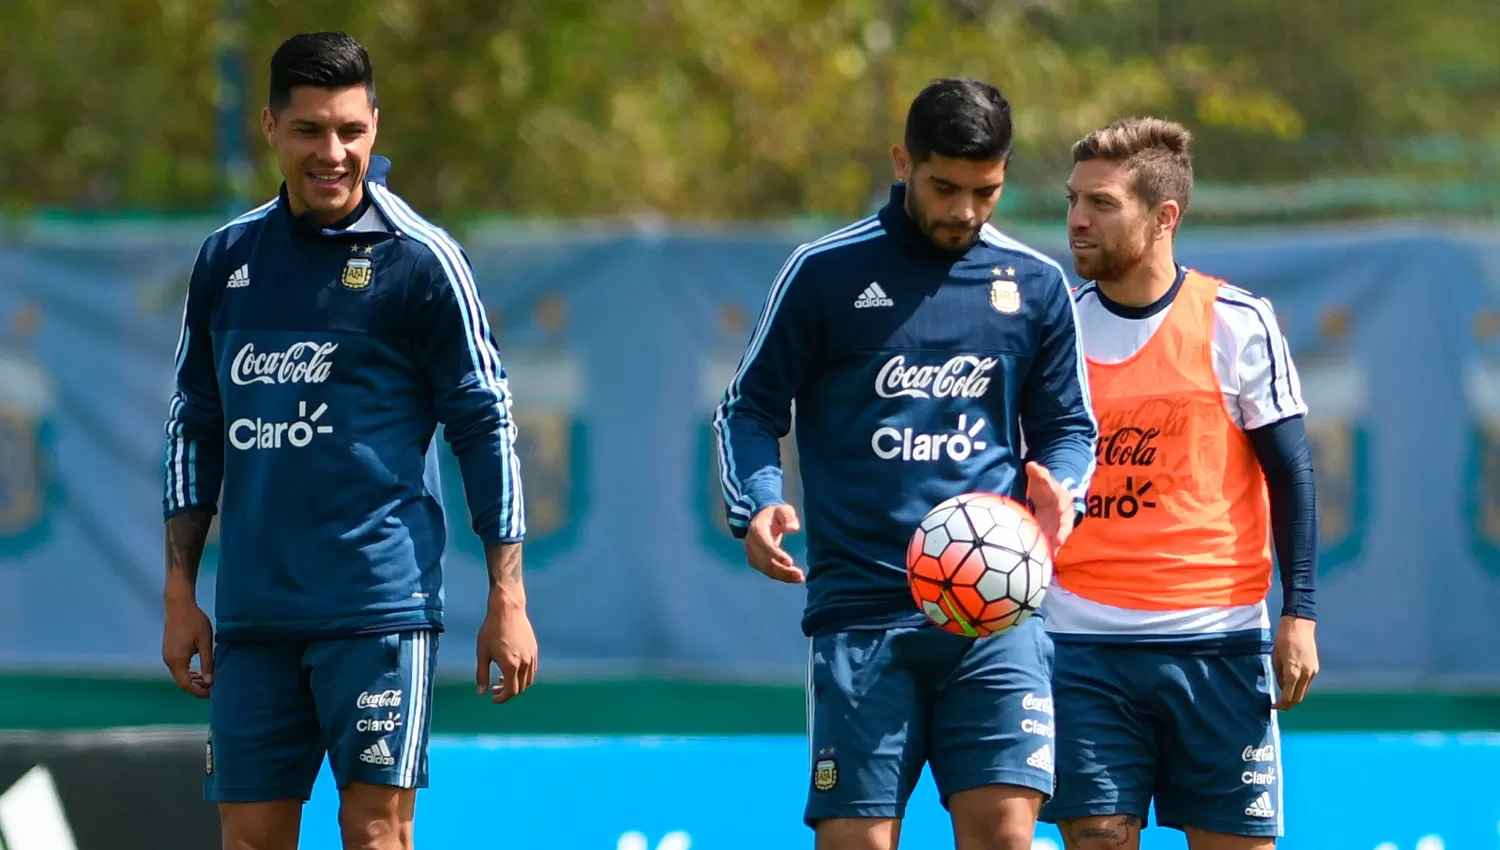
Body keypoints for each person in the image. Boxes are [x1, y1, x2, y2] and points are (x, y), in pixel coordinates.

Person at [159, 31, 538, 850]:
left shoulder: (422, 261)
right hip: (254, 614)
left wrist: (507, 596)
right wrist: (180, 590)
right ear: (270, 129)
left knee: (374, 833)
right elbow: (195, 422)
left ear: (374, 125)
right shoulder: (226, 261)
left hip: (377, 608)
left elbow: (486, 424)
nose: (332, 153)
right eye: (309, 131)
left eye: (351, 131)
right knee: (252, 838)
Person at [712, 78, 1099, 850]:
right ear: (903, 162)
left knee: (1007, 834)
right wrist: (756, 502)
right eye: (944, 186)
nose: (963, 210)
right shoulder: (824, 273)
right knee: (857, 840)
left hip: (995, 611)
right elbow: (748, 408)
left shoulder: (1035, 286)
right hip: (862, 608)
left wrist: (1063, 496)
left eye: (984, 190)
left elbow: (1069, 428)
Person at [1040, 116, 1320, 850]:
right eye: (1073, 200)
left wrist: (1302, 614)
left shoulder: (1236, 321)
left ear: (1164, 217)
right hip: (1081, 644)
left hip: (1219, 644)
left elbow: (1291, 472)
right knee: (1097, 835)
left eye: (1101, 204)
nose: (1076, 220)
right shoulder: (1057, 332)